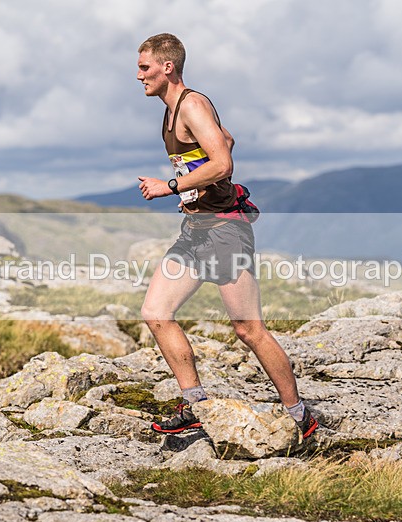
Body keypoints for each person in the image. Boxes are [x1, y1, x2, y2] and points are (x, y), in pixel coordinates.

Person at [136, 33, 317, 440]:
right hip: (197, 232)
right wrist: (194, 187)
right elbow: (224, 139)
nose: (138, 75)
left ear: (168, 67)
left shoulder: (192, 105)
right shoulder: (172, 111)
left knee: (248, 328)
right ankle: (196, 404)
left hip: (226, 231)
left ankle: (301, 417)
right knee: (156, 312)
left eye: (144, 67)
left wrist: (172, 186)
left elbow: (222, 160)